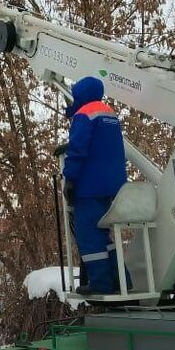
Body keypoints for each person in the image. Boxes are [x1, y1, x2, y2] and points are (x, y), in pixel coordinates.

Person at [63, 76, 128, 294]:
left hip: (89, 187)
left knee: (90, 236)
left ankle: (101, 284)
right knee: (106, 237)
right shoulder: (109, 114)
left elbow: (77, 149)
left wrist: (70, 178)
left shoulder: (84, 115)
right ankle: (122, 282)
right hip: (113, 188)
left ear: (81, 93)